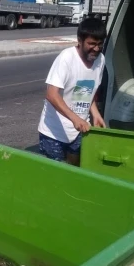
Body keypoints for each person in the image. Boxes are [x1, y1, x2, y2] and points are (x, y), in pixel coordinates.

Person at [37, 17, 107, 165]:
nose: (96, 49)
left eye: (100, 44)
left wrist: (95, 114)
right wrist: (75, 118)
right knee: (56, 178)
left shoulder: (100, 60)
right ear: (79, 41)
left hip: (80, 131)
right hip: (54, 133)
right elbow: (51, 94)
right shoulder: (66, 58)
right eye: (92, 44)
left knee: (76, 171)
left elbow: (86, 91)